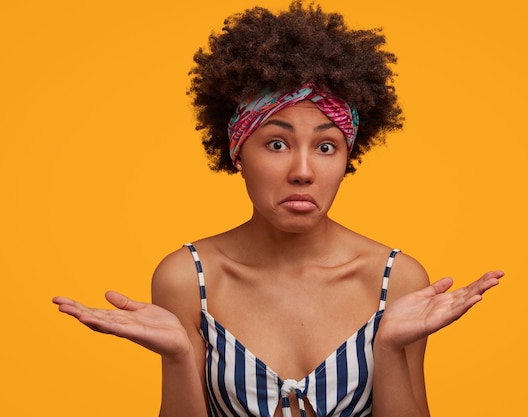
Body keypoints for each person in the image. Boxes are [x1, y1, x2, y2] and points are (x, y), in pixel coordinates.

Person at [53, 2, 503, 416]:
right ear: (237, 152)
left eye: (326, 146)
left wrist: (387, 349)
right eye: (277, 143)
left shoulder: (398, 279)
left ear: (347, 157)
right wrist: (178, 356)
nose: (303, 171)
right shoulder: (188, 278)